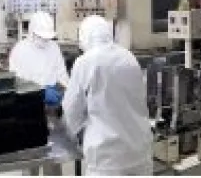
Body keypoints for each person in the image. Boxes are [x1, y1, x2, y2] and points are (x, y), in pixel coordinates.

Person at [62, 15, 152, 176]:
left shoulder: (85, 62)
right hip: (140, 153)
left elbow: (71, 109)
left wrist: (75, 133)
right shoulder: (129, 57)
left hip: (107, 159)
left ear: (84, 38)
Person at [8, 11, 70, 107]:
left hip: (53, 100)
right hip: (30, 102)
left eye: (47, 38)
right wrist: (41, 93)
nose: (45, 40)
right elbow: (17, 82)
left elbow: (61, 73)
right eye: (41, 37)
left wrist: (64, 90)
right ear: (32, 32)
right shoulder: (20, 49)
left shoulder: (54, 47)